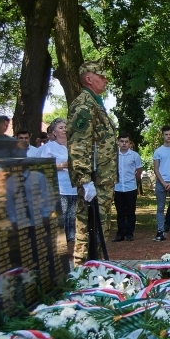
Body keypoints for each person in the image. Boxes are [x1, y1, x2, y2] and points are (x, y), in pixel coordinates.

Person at [67, 60, 118, 264]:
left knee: (100, 227)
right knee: (87, 228)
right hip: (94, 181)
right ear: (89, 78)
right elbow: (79, 144)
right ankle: (83, 275)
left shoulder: (95, 103)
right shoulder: (83, 105)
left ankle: (97, 269)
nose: (105, 80)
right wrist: (84, 180)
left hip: (103, 181)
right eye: (101, 76)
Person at [39, 119, 78, 245]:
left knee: (72, 217)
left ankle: (71, 243)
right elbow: (42, 167)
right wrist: (62, 165)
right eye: (61, 127)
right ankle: (59, 245)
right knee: (61, 215)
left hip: (74, 187)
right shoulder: (48, 148)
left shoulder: (75, 146)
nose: (64, 130)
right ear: (54, 132)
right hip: (58, 187)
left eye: (65, 127)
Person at [113, 133, 143, 242]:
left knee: (130, 211)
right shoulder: (114, 155)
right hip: (118, 187)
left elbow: (139, 170)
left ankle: (129, 233)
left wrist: (134, 181)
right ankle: (120, 233)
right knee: (120, 212)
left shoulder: (135, 155)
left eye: (126, 141)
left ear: (129, 142)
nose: (124, 143)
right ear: (118, 142)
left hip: (131, 187)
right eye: (122, 141)